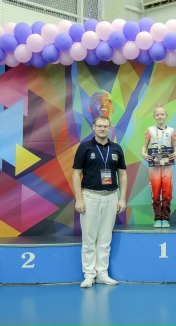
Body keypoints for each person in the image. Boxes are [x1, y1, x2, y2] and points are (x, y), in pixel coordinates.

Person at [72, 115, 127, 288]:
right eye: (99, 126)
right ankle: (89, 275)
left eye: (105, 126)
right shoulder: (85, 147)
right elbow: (76, 174)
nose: (102, 129)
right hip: (90, 196)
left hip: (111, 197)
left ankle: (102, 273)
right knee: (89, 238)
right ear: (94, 127)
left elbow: (122, 174)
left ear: (110, 128)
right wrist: (79, 199)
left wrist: (122, 198)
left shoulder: (116, 148)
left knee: (105, 238)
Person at [141, 103, 176, 228]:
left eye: (162, 114)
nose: (160, 116)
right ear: (154, 116)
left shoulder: (171, 130)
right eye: (157, 115)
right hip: (154, 166)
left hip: (167, 165)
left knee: (167, 192)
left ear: (166, 115)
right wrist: (143, 153)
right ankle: (157, 218)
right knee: (156, 191)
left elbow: (175, 147)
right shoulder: (150, 130)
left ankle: (166, 218)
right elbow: (144, 147)